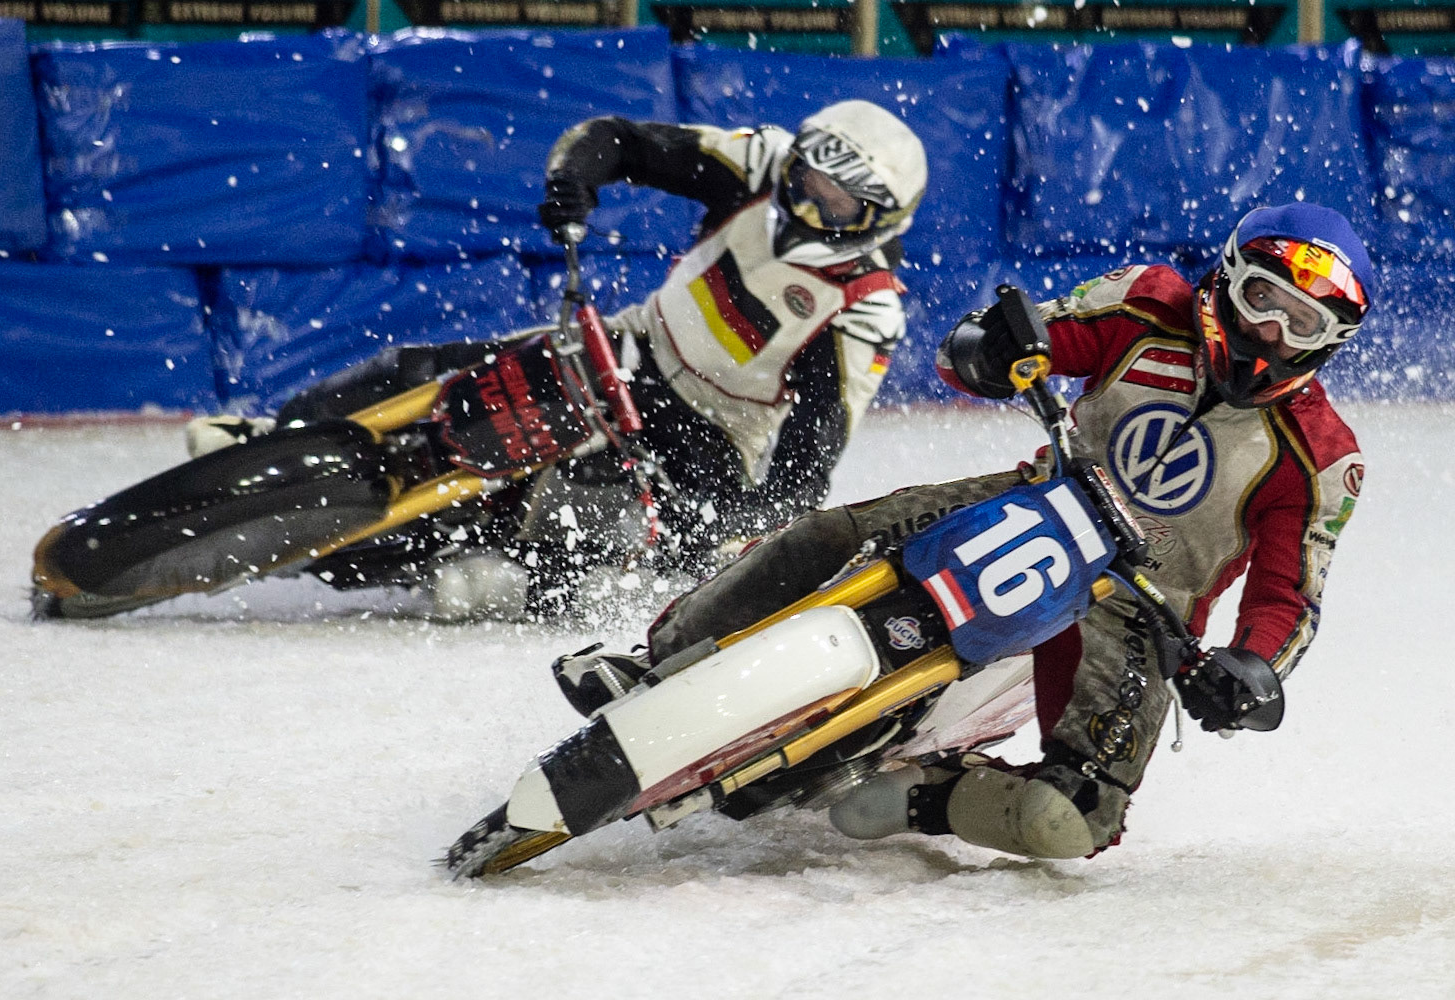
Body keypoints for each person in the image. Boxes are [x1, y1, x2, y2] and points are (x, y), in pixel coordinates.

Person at [556, 203, 1372, 860]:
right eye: (1263, 297)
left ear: (1329, 344)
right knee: (826, 537)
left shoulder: (1320, 458)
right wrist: (993, 345)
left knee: (1071, 820)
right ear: (1226, 278)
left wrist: (1252, 668)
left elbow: (1289, 594)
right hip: (1036, 502)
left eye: (1302, 323)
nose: (1271, 334)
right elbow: (1009, 344)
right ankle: (655, 660)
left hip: (1141, 607)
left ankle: (934, 794)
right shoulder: (1145, 302)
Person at [186, 100, 928, 619]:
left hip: (714, 431)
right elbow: (623, 141)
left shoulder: (867, 306)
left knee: (600, 525)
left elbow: (812, 452)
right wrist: (576, 180)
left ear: (878, 219)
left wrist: (747, 524)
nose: (804, 204)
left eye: (833, 203)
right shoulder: (762, 159)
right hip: (631, 343)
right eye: (805, 182)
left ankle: (515, 579)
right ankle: (272, 436)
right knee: (421, 370)